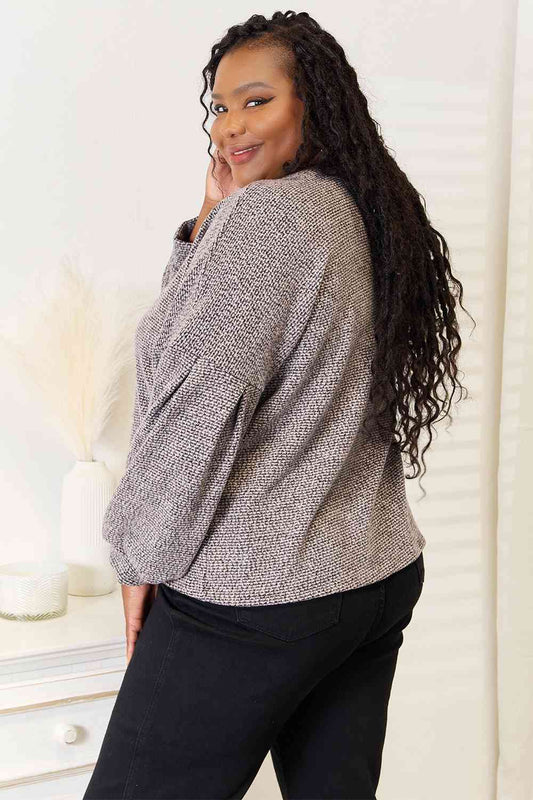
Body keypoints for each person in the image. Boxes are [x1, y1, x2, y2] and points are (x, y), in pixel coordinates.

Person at [83, 10, 472, 800]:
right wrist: (209, 223)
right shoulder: (363, 210)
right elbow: (205, 343)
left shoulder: (269, 219)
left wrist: (138, 556)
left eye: (256, 101)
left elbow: (198, 398)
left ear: (313, 104)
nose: (229, 126)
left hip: (259, 594)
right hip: (371, 576)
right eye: (220, 107)